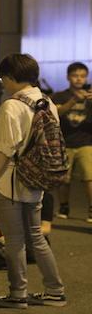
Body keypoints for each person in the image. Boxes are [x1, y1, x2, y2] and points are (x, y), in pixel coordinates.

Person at [0, 53, 66, 309]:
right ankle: (55, 290)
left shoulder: (12, 105)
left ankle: (18, 293)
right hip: (36, 179)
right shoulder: (47, 103)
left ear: (10, 77)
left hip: (12, 182)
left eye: (2, 78)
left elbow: (6, 150)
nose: (2, 83)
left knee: (15, 240)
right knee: (37, 237)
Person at [51, 62, 92, 222]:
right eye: (75, 76)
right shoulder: (61, 96)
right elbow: (57, 111)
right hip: (65, 143)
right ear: (68, 77)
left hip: (87, 143)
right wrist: (74, 100)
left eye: (82, 76)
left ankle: (91, 210)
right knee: (63, 179)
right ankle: (64, 207)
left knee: (89, 177)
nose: (79, 79)